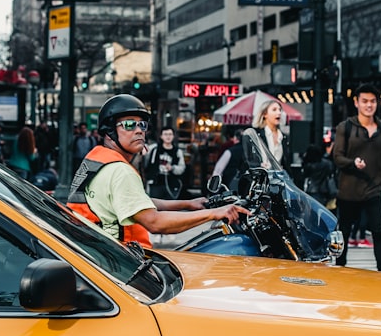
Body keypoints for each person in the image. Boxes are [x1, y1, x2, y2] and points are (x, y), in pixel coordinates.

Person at [67, 94, 247, 247]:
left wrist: (187, 204)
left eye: (142, 125)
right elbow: (154, 222)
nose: (139, 131)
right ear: (109, 131)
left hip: (96, 253)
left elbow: (135, 200)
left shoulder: (100, 160)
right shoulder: (120, 171)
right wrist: (214, 213)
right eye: (129, 125)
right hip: (118, 265)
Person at [332, 83, 381, 272]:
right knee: (344, 231)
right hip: (349, 190)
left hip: (373, 190)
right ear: (356, 103)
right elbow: (337, 156)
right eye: (365, 101)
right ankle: (340, 267)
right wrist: (353, 163)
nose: (369, 105)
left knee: (378, 231)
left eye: (373, 101)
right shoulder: (346, 127)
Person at [143, 125, 186, 199]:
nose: (168, 137)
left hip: (171, 184)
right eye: (165, 134)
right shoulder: (154, 149)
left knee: (170, 207)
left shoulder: (177, 151)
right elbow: (145, 160)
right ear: (161, 136)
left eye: (170, 134)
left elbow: (182, 168)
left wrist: (172, 168)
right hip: (155, 183)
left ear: (173, 136)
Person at [253, 99, 289, 167]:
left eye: (280, 109)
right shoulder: (257, 135)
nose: (279, 112)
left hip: (279, 176)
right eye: (274, 109)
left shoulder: (283, 137)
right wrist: (259, 165)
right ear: (264, 114)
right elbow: (248, 159)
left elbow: (286, 162)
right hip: (262, 175)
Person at [300, 143, 337, 207]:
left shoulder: (309, 166)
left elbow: (304, 175)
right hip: (324, 189)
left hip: (312, 189)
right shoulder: (327, 163)